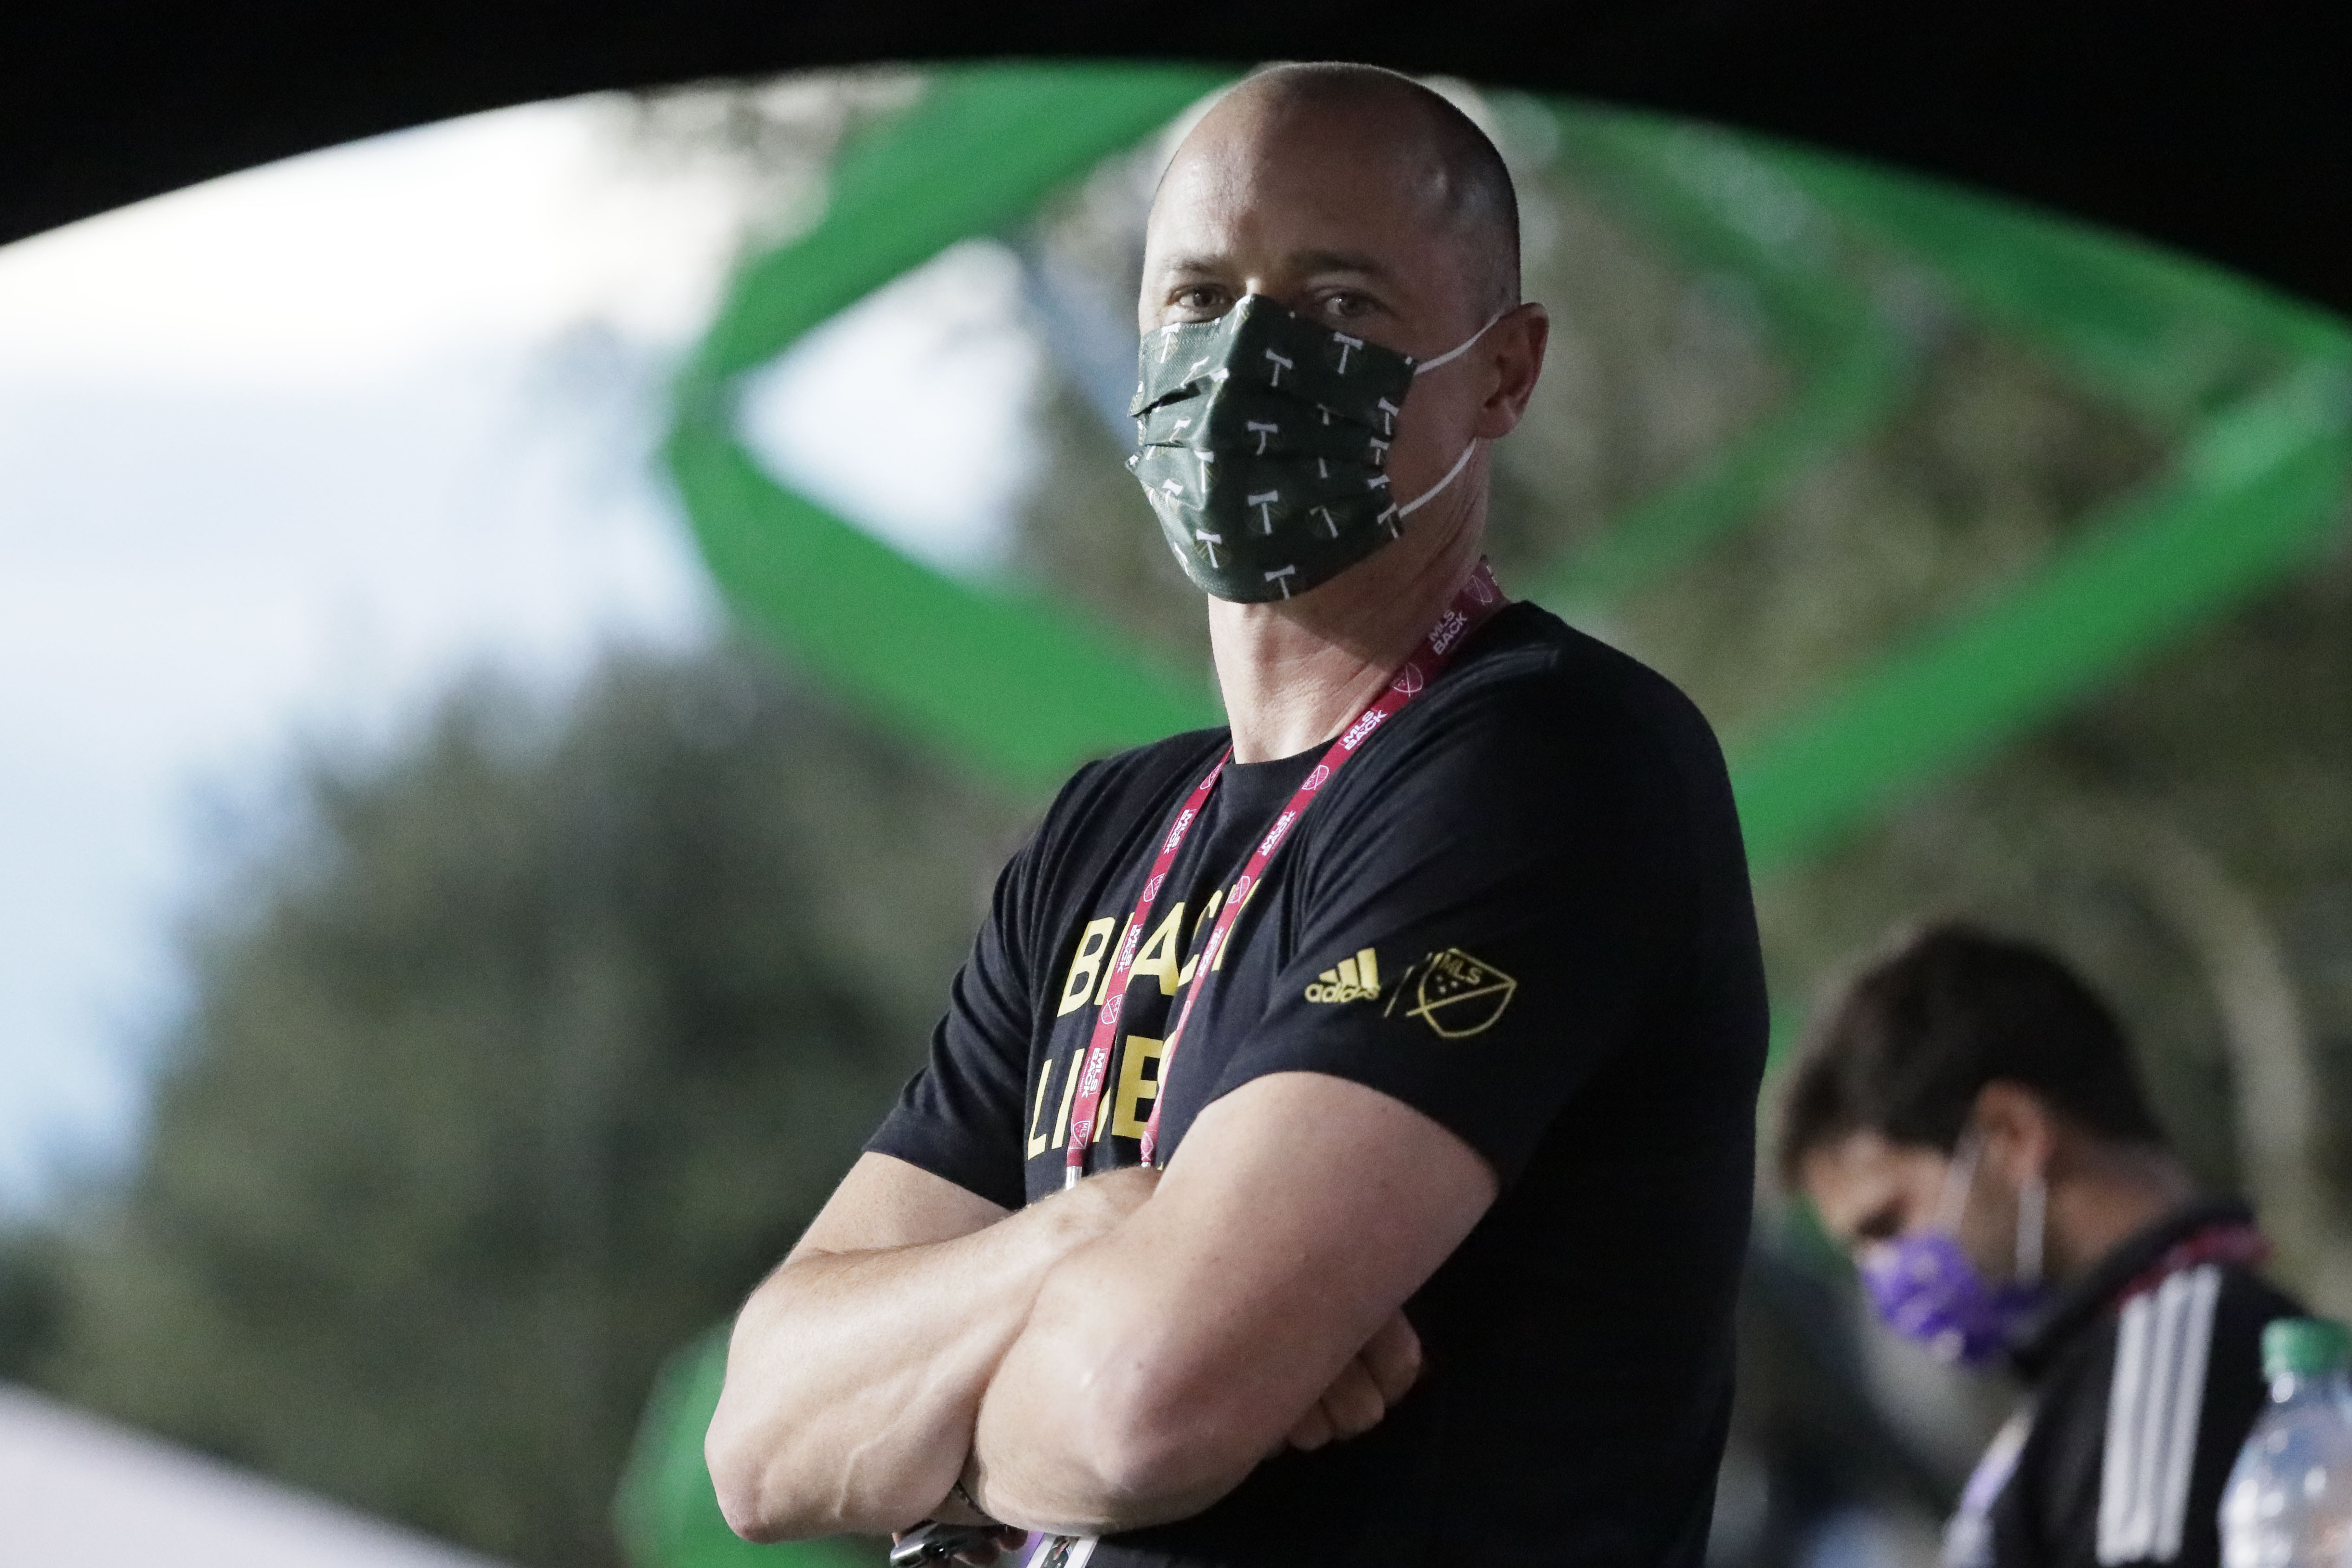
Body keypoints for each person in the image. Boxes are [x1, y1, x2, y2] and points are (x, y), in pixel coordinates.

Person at [706, 61, 1768, 1568]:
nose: (1248, 356)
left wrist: (931, 1423)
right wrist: (1082, 1237)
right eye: (1195, 297)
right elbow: (758, 1434)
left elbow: (1151, 1405)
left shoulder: (1544, 759)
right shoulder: (1101, 831)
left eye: (1338, 307)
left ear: (1504, 371)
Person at [1779, 922, 2303, 1568]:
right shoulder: (2081, 1390)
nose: (1880, 1273)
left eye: (1888, 1222)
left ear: (2013, 1134)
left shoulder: (2179, 1343)